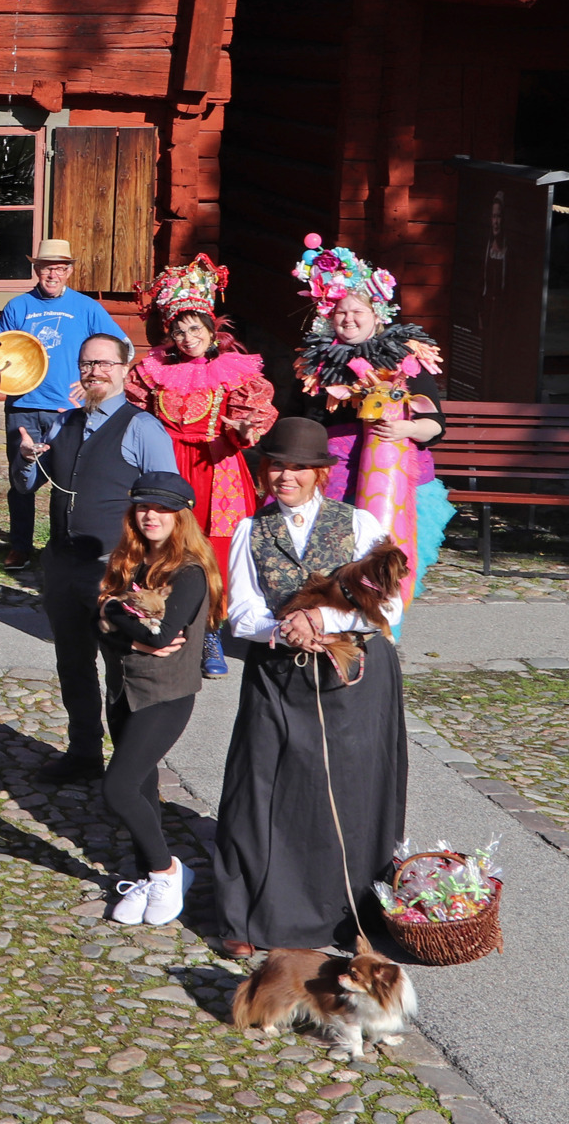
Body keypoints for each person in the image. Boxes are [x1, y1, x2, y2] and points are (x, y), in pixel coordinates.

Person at [213, 418, 408, 957]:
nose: (285, 476)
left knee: (348, 790)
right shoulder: (251, 531)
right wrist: (283, 627)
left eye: (297, 467)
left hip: (354, 679)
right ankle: (250, 916)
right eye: (276, 465)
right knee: (262, 787)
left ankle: (351, 915)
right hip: (278, 671)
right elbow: (243, 608)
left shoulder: (360, 524)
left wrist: (323, 618)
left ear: (321, 473)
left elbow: (387, 606)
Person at [14, 331, 182, 783]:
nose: (95, 372)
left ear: (125, 370)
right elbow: (29, 485)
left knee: (121, 669)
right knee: (72, 663)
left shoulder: (142, 427)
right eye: (87, 364)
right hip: (64, 565)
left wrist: (154, 574)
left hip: (116, 568)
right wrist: (28, 459)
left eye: (105, 364)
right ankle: (84, 753)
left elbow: (168, 503)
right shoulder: (62, 423)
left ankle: (129, 769)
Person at [125, 254, 275, 677]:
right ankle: (161, 620)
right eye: (179, 330)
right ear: (169, 334)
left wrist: (244, 429)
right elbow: (133, 417)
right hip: (168, 465)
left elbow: (252, 424)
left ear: (211, 331)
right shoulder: (150, 372)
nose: (188, 337)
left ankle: (210, 631)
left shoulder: (235, 371)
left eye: (195, 329)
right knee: (164, 545)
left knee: (215, 551)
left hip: (218, 467)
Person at [290, 234, 447, 588]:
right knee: (330, 562)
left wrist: (407, 430)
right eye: (340, 312)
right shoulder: (313, 363)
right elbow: (298, 418)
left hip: (392, 467)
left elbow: (435, 424)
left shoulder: (405, 356)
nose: (348, 319)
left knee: (384, 562)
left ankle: (379, 635)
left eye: (357, 311)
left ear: (376, 316)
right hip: (332, 473)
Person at [94, 472, 216, 928]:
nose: (151, 516)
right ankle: (149, 869)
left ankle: (168, 871)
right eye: (144, 506)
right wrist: (110, 613)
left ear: (180, 516)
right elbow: (100, 623)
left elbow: (164, 633)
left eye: (162, 509)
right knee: (143, 787)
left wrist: (111, 611)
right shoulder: (131, 562)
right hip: (123, 688)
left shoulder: (188, 572)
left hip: (165, 694)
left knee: (118, 787)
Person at [0, 238, 127, 566]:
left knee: (67, 479)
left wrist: (94, 383)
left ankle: (60, 547)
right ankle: (21, 547)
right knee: (21, 481)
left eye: (59, 268)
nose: (52, 274)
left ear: (69, 271)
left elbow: (122, 347)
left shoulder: (87, 308)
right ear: (35, 269)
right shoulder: (18, 307)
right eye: (45, 268)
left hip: (69, 409)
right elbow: (1, 355)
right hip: (23, 405)